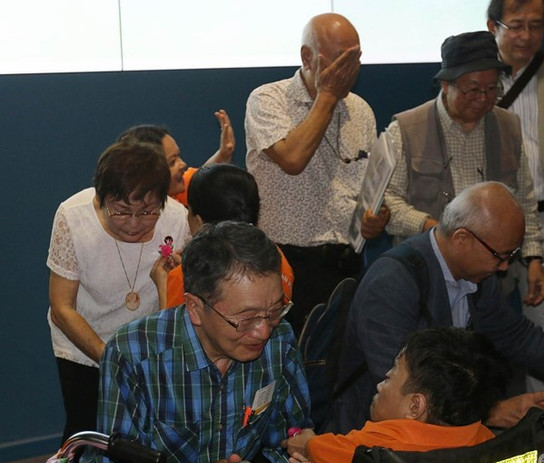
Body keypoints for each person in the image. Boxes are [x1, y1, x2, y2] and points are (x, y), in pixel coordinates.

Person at [69, 221, 312, 463]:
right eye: (245, 319)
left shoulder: (279, 342)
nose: (262, 330)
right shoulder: (133, 353)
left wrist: (316, 460)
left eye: (275, 310)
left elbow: (287, 434)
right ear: (195, 308)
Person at [332, 181, 544, 434]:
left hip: (438, 427)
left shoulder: (476, 272)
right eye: (501, 256)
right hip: (370, 436)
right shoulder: (393, 283)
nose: (505, 267)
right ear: (461, 239)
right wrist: (494, 412)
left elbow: (517, 336)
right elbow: (405, 395)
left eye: (512, 255)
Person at [245, 13, 390, 333]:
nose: (349, 71)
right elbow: (293, 159)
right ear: (306, 57)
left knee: (337, 369)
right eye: (341, 61)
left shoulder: (360, 110)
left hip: (344, 264)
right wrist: (326, 95)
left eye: (356, 59)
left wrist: (376, 217)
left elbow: (369, 187)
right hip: (282, 264)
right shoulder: (268, 100)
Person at [382, 30, 544, 307]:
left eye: (492, 88)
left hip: (490, 279)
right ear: (446, 85)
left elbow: (524, 199)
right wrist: (436, 228)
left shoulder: (508, 126)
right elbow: (389, 203)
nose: (484, 98)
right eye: (473, 89)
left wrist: (533, 258)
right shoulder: (406, 130)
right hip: (425, 275)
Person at [47, 141, 190, 442]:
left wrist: (176, 277)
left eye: (148, 211)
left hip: (147, 350)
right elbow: (62, 308)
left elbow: (180, 308)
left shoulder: (177, 220)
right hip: (84, 347)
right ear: (102, 198)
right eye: (122, 212)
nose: (135, 224)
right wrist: (111, 359)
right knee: (87, 433)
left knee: (146, 437)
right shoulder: (73, 217)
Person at [286, 327, 508, 463]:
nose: (381, 382)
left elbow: (321, 451)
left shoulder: (380, 447)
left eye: (391, 374)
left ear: (415, 407)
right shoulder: (486, 441)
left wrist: (304, 442)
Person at [487, 0, 544, 391]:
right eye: (516, 25)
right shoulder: (476, 76)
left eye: (536, 26)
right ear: (493, 26)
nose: (526, 36)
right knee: (478, 325)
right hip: (486, 226)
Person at [148, 163, 294, 308]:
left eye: (188, 209)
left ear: (199, 223)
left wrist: (163, 286)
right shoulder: (276, 257)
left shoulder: (185, 277)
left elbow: (173, 330)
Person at [118, 109, 235, 206]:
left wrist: (224, 154)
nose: (183, 164)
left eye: (178, 156)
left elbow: (203, 179)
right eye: (172, 162)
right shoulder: (128, 218)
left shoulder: (179, 189)